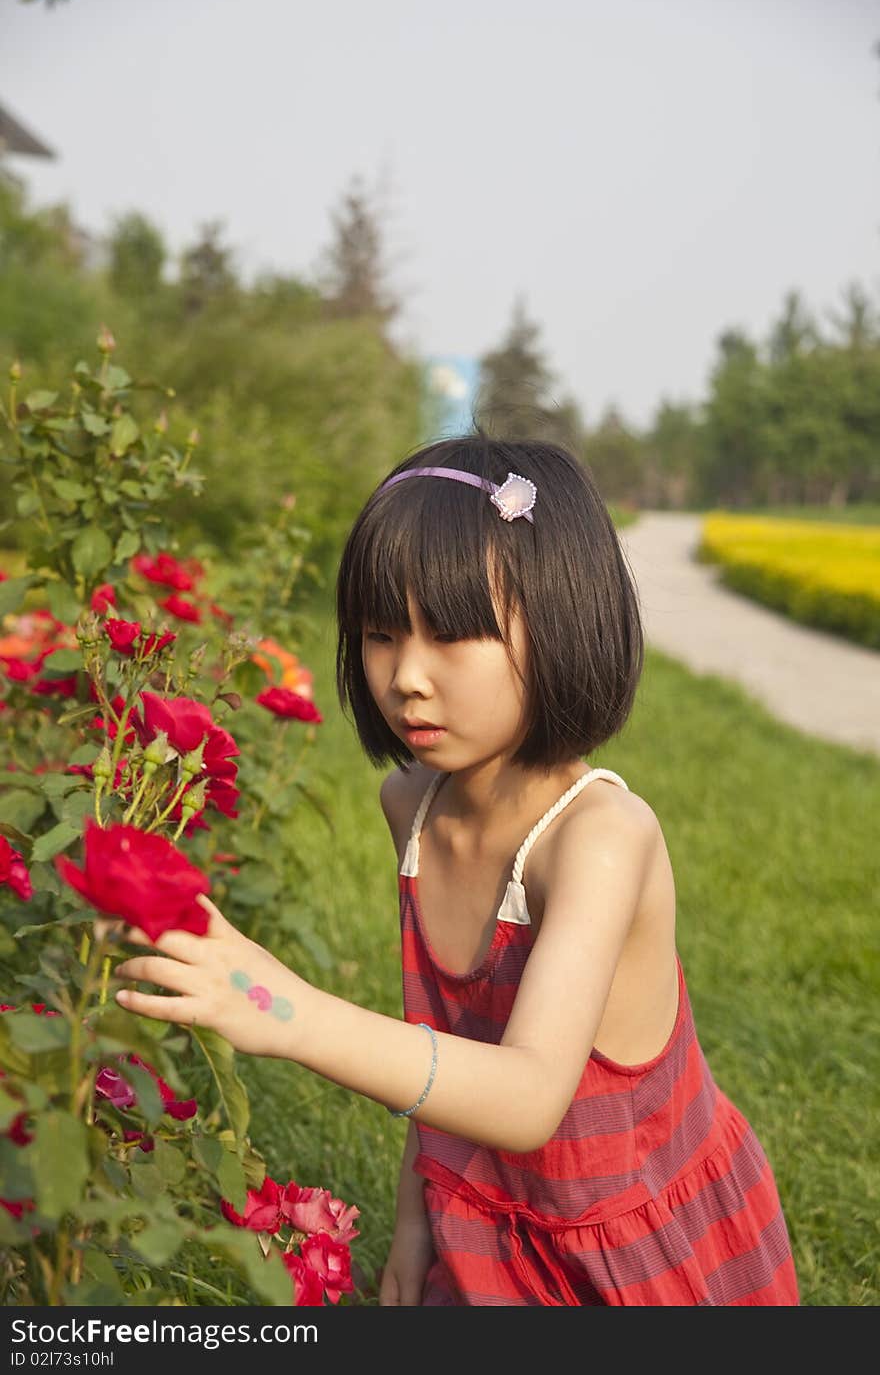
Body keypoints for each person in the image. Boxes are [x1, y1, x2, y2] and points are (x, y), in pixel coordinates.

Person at [108, 434, 800, 1306]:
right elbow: (449, 1039)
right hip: (488, 1221)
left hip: (630, 1254)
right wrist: (416, 1224)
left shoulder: (600, 837)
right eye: (380, 635)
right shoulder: (414, 805)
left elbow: (526, 1097)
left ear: (562, 622)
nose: (407, 678)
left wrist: (282, 1010)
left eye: (455, 635)